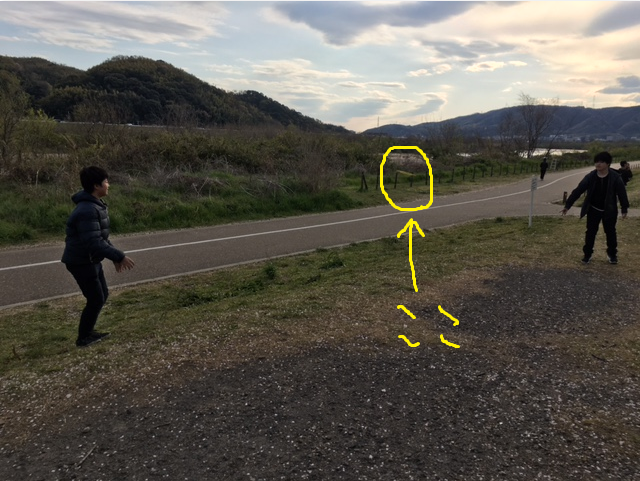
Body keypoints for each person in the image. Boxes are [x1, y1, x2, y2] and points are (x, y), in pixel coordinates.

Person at [61, 166, 135, 347]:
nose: (108, 185)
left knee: (102, 295)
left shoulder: (95, 205)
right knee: (95, 298)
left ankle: (88, 332)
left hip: (90, 259)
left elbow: (102, 239)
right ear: (96, 185)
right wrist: (119, 256)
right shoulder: (87, 210)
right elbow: (93, 242)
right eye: (106, 181)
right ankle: (83, 338)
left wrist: (115, 257)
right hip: (81, 262)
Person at [561, 151, 629, 265]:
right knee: (590, 232)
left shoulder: (615, 177)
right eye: (596, 162)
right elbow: (578, 190)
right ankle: (587, 254)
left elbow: (622, 193)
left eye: (601, 162)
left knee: (611, 233)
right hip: (593, 209)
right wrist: (568, 205)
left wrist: (624, 208)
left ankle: (612, 255)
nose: (598, 164)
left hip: (609, 210)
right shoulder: (591, 176)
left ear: (608, 163)